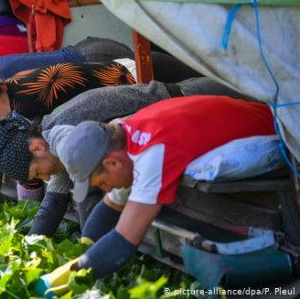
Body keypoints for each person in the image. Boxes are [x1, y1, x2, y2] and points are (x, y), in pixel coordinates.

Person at [32, 96, 275, 296]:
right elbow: (111, 205)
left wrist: (63, 279)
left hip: (277, 128)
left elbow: (123, 241)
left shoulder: (152, 154)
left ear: (112, 163)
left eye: (102, 182)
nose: (105, 189)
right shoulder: (124, 135)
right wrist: (83, 248)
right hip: (257, 112)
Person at [0, 78, 256, 236]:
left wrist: (86, 252)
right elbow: (56, 199)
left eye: (38, 173)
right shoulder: (54, 141)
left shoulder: (67, 133)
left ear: (36, 149)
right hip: (184, 113)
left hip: (197, 95)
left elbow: (88, 200)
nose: (46, 178)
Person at [0, 52, 135, 203]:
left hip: (132, 79)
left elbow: (25, 164)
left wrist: (29, 215)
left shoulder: (27, 106)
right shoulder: (5, 101)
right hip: (114, 96)